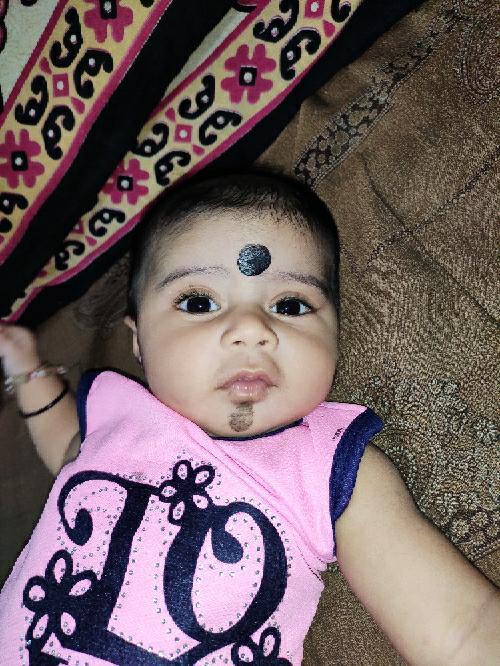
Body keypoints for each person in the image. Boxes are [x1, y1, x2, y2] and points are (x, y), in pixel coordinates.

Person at [0, 172, 498, 665]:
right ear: (138, 341)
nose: (250, 329)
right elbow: (70, 452)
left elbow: (461, 629)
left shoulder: (327, 470)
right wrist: (25, 367)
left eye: (291, 305)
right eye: (199, 302)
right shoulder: (120, 421)